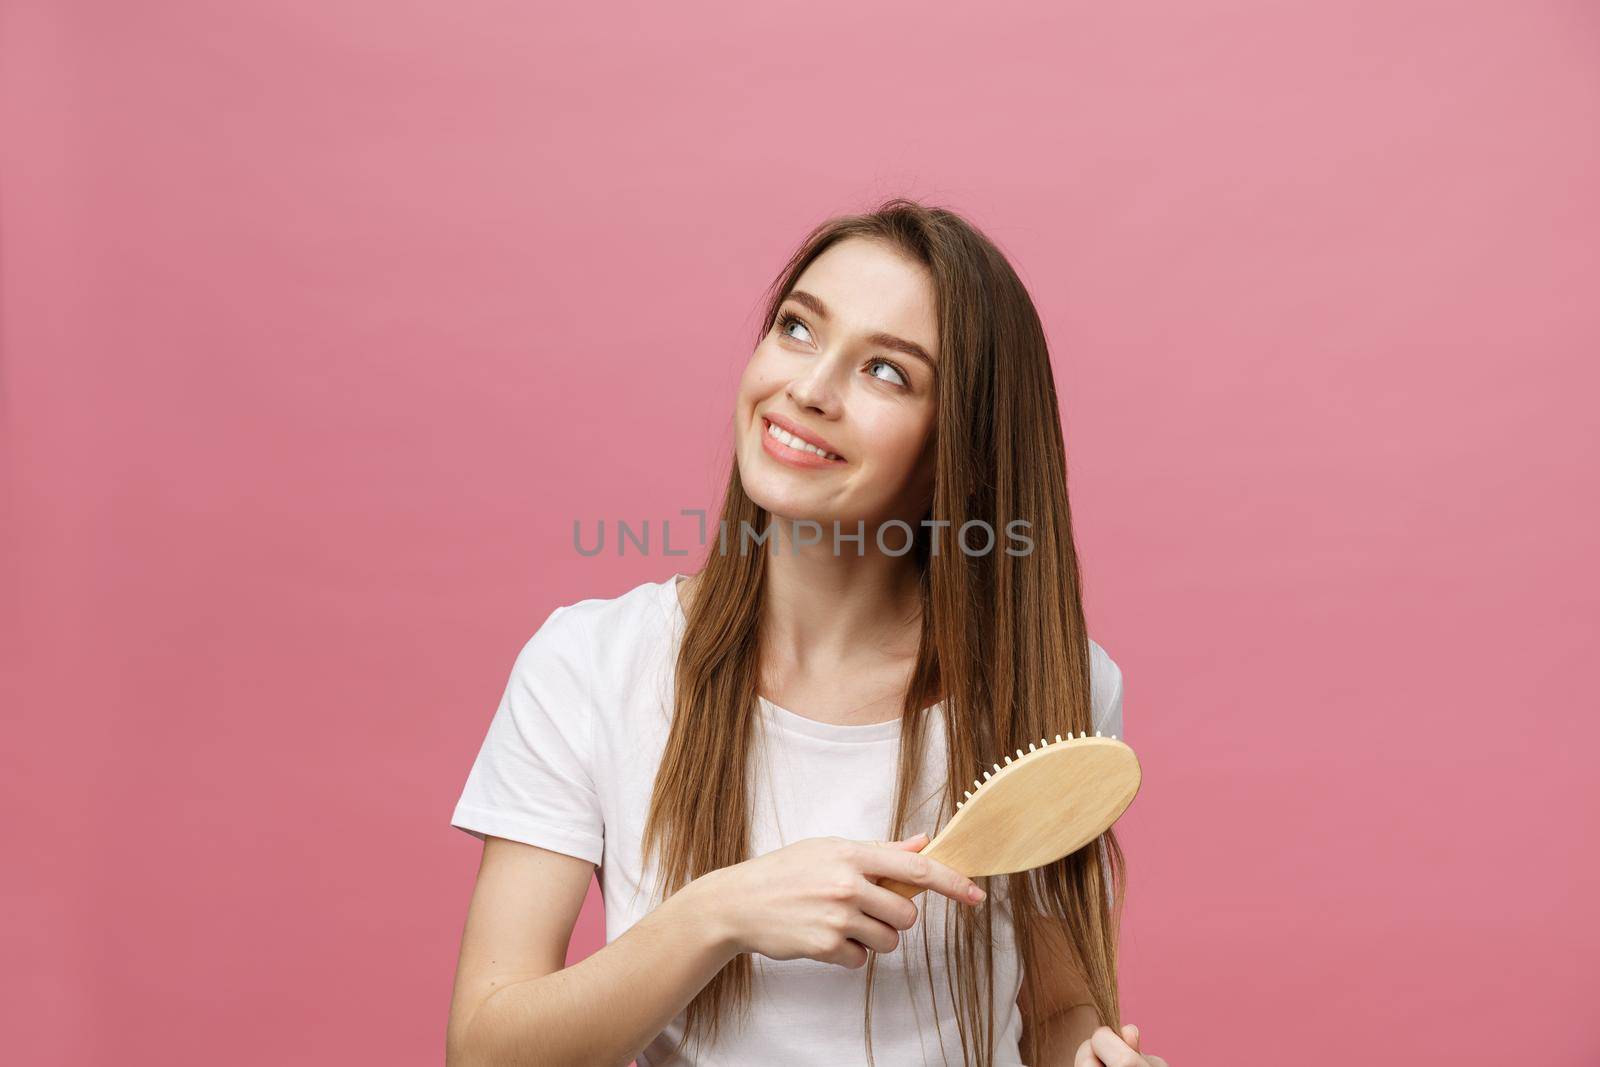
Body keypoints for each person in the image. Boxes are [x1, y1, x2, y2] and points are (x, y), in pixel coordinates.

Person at [445, 198, 1169, 1067]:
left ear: (958, 450)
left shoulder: (1056, 684)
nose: (810, 389)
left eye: (887, 373)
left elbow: (1057, 1007)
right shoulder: (589, 666)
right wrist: (719, 913)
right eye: (797, 328)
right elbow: (484, 1052)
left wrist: (1084, 1055)